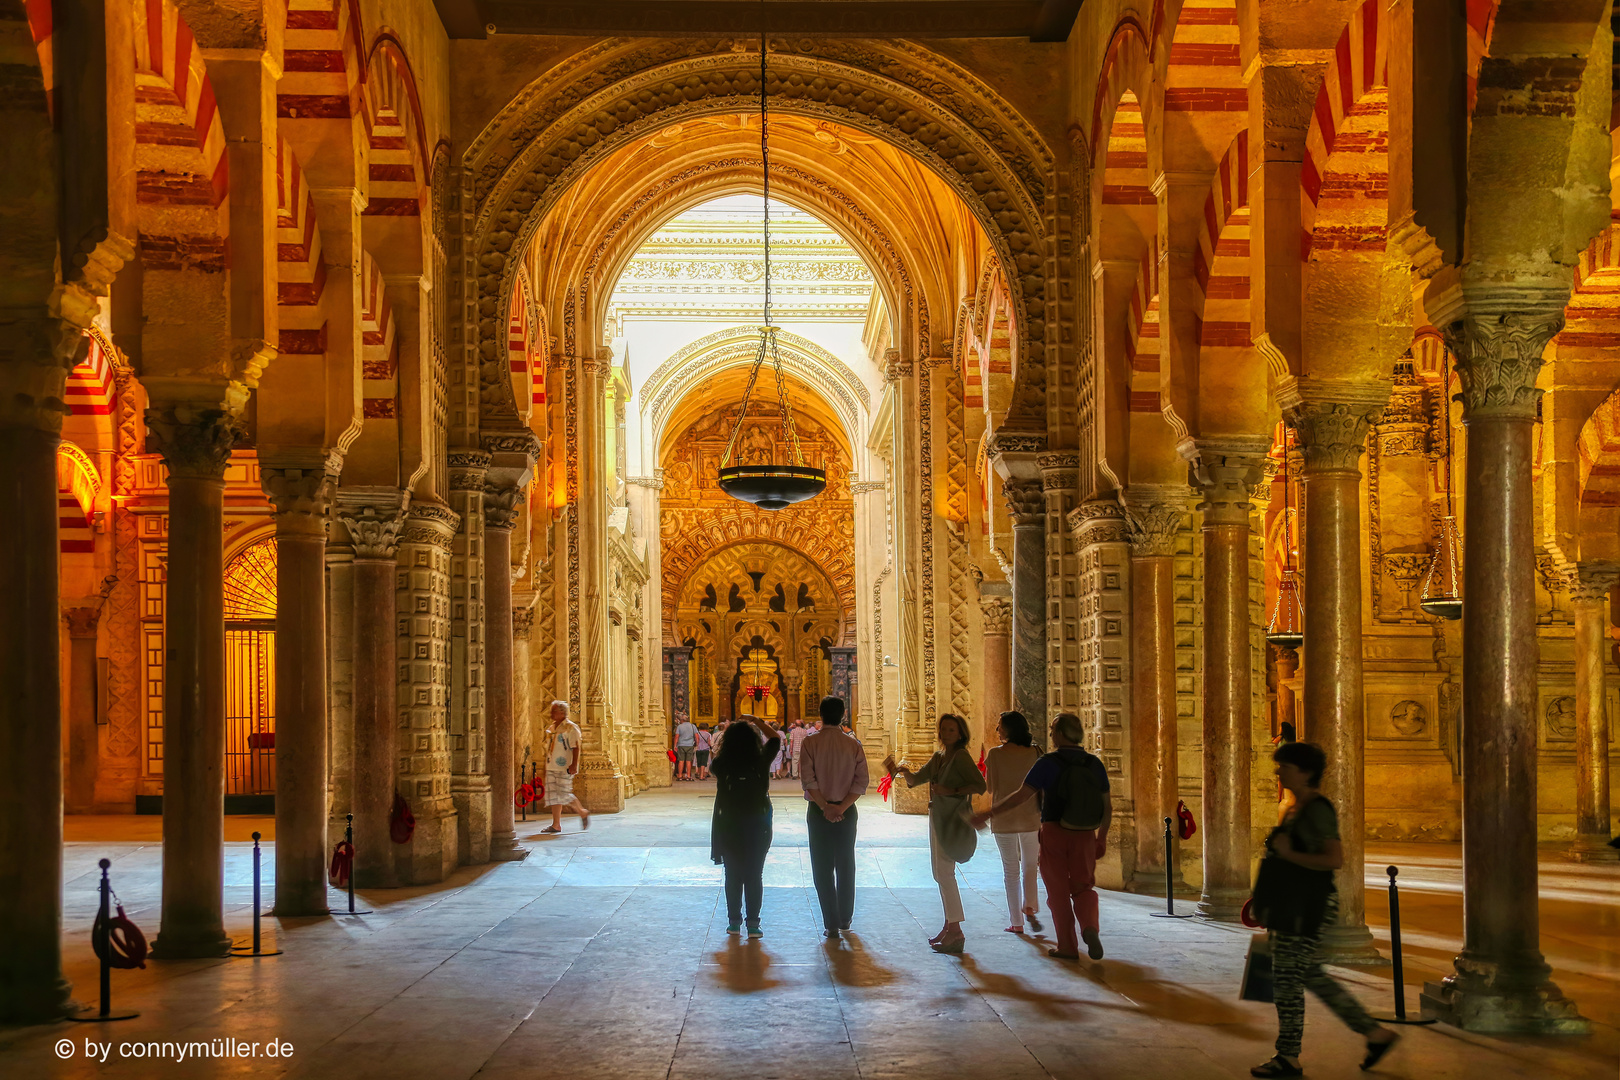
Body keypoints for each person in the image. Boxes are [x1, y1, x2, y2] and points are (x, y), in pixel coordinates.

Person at [1249, 742, 1397, 1078]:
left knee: (1286, 981)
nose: (1278, 770)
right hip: (1291, 903)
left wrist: (1288, 854)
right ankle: (1376, 1033)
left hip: (1306, 906)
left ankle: (1288, 1057)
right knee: (1310, 974)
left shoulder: (1318, 809)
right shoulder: (1296, 807)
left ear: (1303, 772)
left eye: (1284, 766)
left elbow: (1334, 859)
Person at [972, 712, 1109, 960]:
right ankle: (1089, 927)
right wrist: (1102, 838)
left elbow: (1021, 795)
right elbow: (1107, 806)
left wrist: (989, 813)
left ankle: (1067, 946)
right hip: (1085, 834)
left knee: (1057, 892)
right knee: (1083, 886)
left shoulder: (1047, 762)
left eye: (1054, 729)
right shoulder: (1093, 764)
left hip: (1055, 832)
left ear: (1058, 734)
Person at [884, 713, 986, 953]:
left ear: (960, 733)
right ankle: (949, 925)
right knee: (940, 873)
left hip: (952, 820)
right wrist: (900, 770)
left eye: (951, 730)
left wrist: (952, 789)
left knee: (945, 873)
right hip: (938, 817)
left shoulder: (960, 757)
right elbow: (916, 780)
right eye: (943, 730)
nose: (946, 734)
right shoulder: (940, 757)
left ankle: (956, 930)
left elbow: (980, 785)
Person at [799, 695, 868, 938]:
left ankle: (830, 923)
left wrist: (824, 806)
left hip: (818, 813)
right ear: (843, 715)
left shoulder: (810, 743)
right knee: (845, 863)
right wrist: (841, 807)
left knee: (822, 865)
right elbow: (862, 782)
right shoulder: (853, 745)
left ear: (820, 714)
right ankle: (845, 918)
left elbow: (808, 780)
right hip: (847, 812)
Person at [709, 713, 780, 937]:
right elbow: (775, 739)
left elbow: (715, 756)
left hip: (729, 823)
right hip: (758, 823)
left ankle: (734, 922)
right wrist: (757, 721)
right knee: (754, 874)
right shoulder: (760, 761)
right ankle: (753, 924)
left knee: (732, 874)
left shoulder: (721, 764)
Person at [983, 711, 1042, 935]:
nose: (997, 730)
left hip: (1004, 818)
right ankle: (1030, 906)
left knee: (1010, 870)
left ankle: (1016, 922)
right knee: (1030, 866)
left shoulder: (995, 754)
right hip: (1030, 816)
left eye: (999, 726)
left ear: (1008, 729)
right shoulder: (1035, 752)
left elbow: (990, 788)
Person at [541, 701, 591, 833]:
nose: (551, 714)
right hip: (551, 765)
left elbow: (576, 747)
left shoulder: (571, 728)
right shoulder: (552, 727)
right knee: (554, 796)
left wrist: (574, 764)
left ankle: (582, 812)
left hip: (564, 766)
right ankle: (556, 824)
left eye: (554, 711)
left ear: (562, 713)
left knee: (563, 793)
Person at [674, 716, 698, 780]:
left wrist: (675, 745)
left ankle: (680, 775)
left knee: (681, 761)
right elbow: (696, 736)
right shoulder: (693, 726)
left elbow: (677, 736)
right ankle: (689, 775)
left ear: (682, 720)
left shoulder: (680, 726)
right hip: (690, 745)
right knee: (688, 761)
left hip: (681, 745)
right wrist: (697, 745)